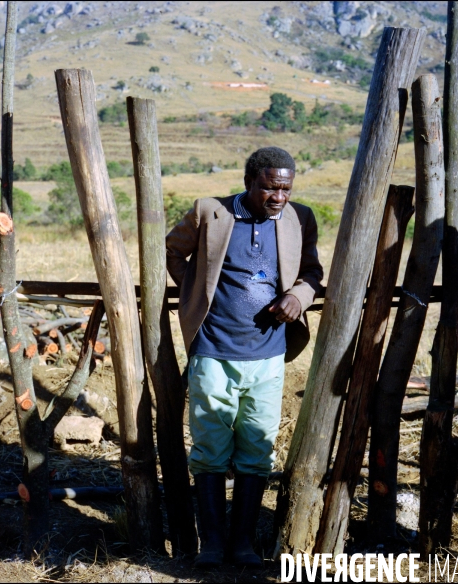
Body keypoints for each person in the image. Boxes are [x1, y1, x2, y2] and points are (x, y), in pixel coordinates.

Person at [166, 147, 323, 568]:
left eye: (286, 188)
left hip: (269, 355)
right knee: (210, 447)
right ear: (249, 181)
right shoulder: (210, 214)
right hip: (214, 352)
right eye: (270, 188)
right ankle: (212, 546)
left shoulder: (299, 218)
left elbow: (312, 273)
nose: (279, 197)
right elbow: (173, 251)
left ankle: (243, 546)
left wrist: (298, 296)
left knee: (257, 447)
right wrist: (196, 294)